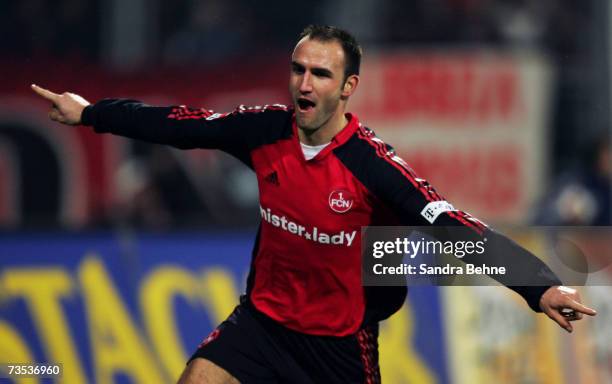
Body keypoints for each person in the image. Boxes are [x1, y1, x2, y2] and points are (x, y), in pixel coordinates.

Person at [32, 25, 596, 384]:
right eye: (298, 69)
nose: (304, 82)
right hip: (263, 323)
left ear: (348, 87)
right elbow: (177, 125)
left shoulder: (372, 166)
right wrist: (91, 113)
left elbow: (453, 226)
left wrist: (536, 285)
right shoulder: (263, 131)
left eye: (320, 73)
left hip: (337, 349)